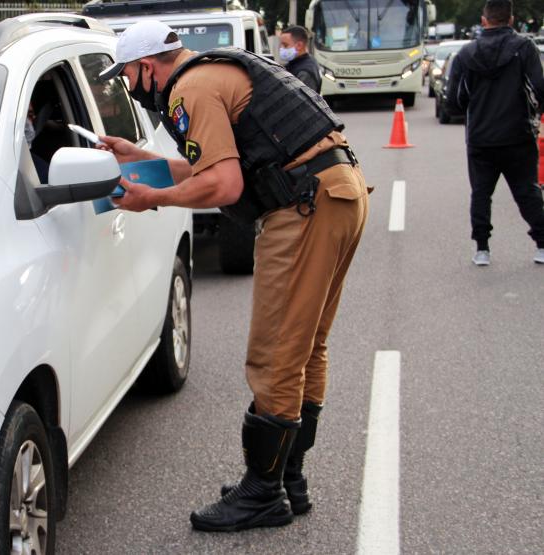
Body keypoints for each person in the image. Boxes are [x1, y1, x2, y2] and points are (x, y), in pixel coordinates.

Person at [97, 21, 369, 532]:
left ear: (146, 66)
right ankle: (287, 479)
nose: (128, 87)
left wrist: (151, 198)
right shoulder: (216, 69)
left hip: (303, 208)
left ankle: (263, 492)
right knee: (306, 346)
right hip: (337, 191)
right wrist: (144, 160)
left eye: (127, 76)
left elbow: (223, 185)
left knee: (276, 352)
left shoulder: (191, 89)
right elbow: (218, 164)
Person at [446, 0, 544, 266]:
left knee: (481, 194)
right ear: (510, 20)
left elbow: (454, 100)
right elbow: (538, 87)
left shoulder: (466, 54)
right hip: (518, 134)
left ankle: (482, 249)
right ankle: (541, 244)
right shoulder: (524, 48)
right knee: (527, 191)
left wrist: (472, 110)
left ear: (484, 20)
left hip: (480, 137)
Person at [279, 25, 322, 92]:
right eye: (281, 45)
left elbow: (300, 97)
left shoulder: (305, 71)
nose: (281, 49)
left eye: (285, 45)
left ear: (299, 45)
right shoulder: (295, 63)